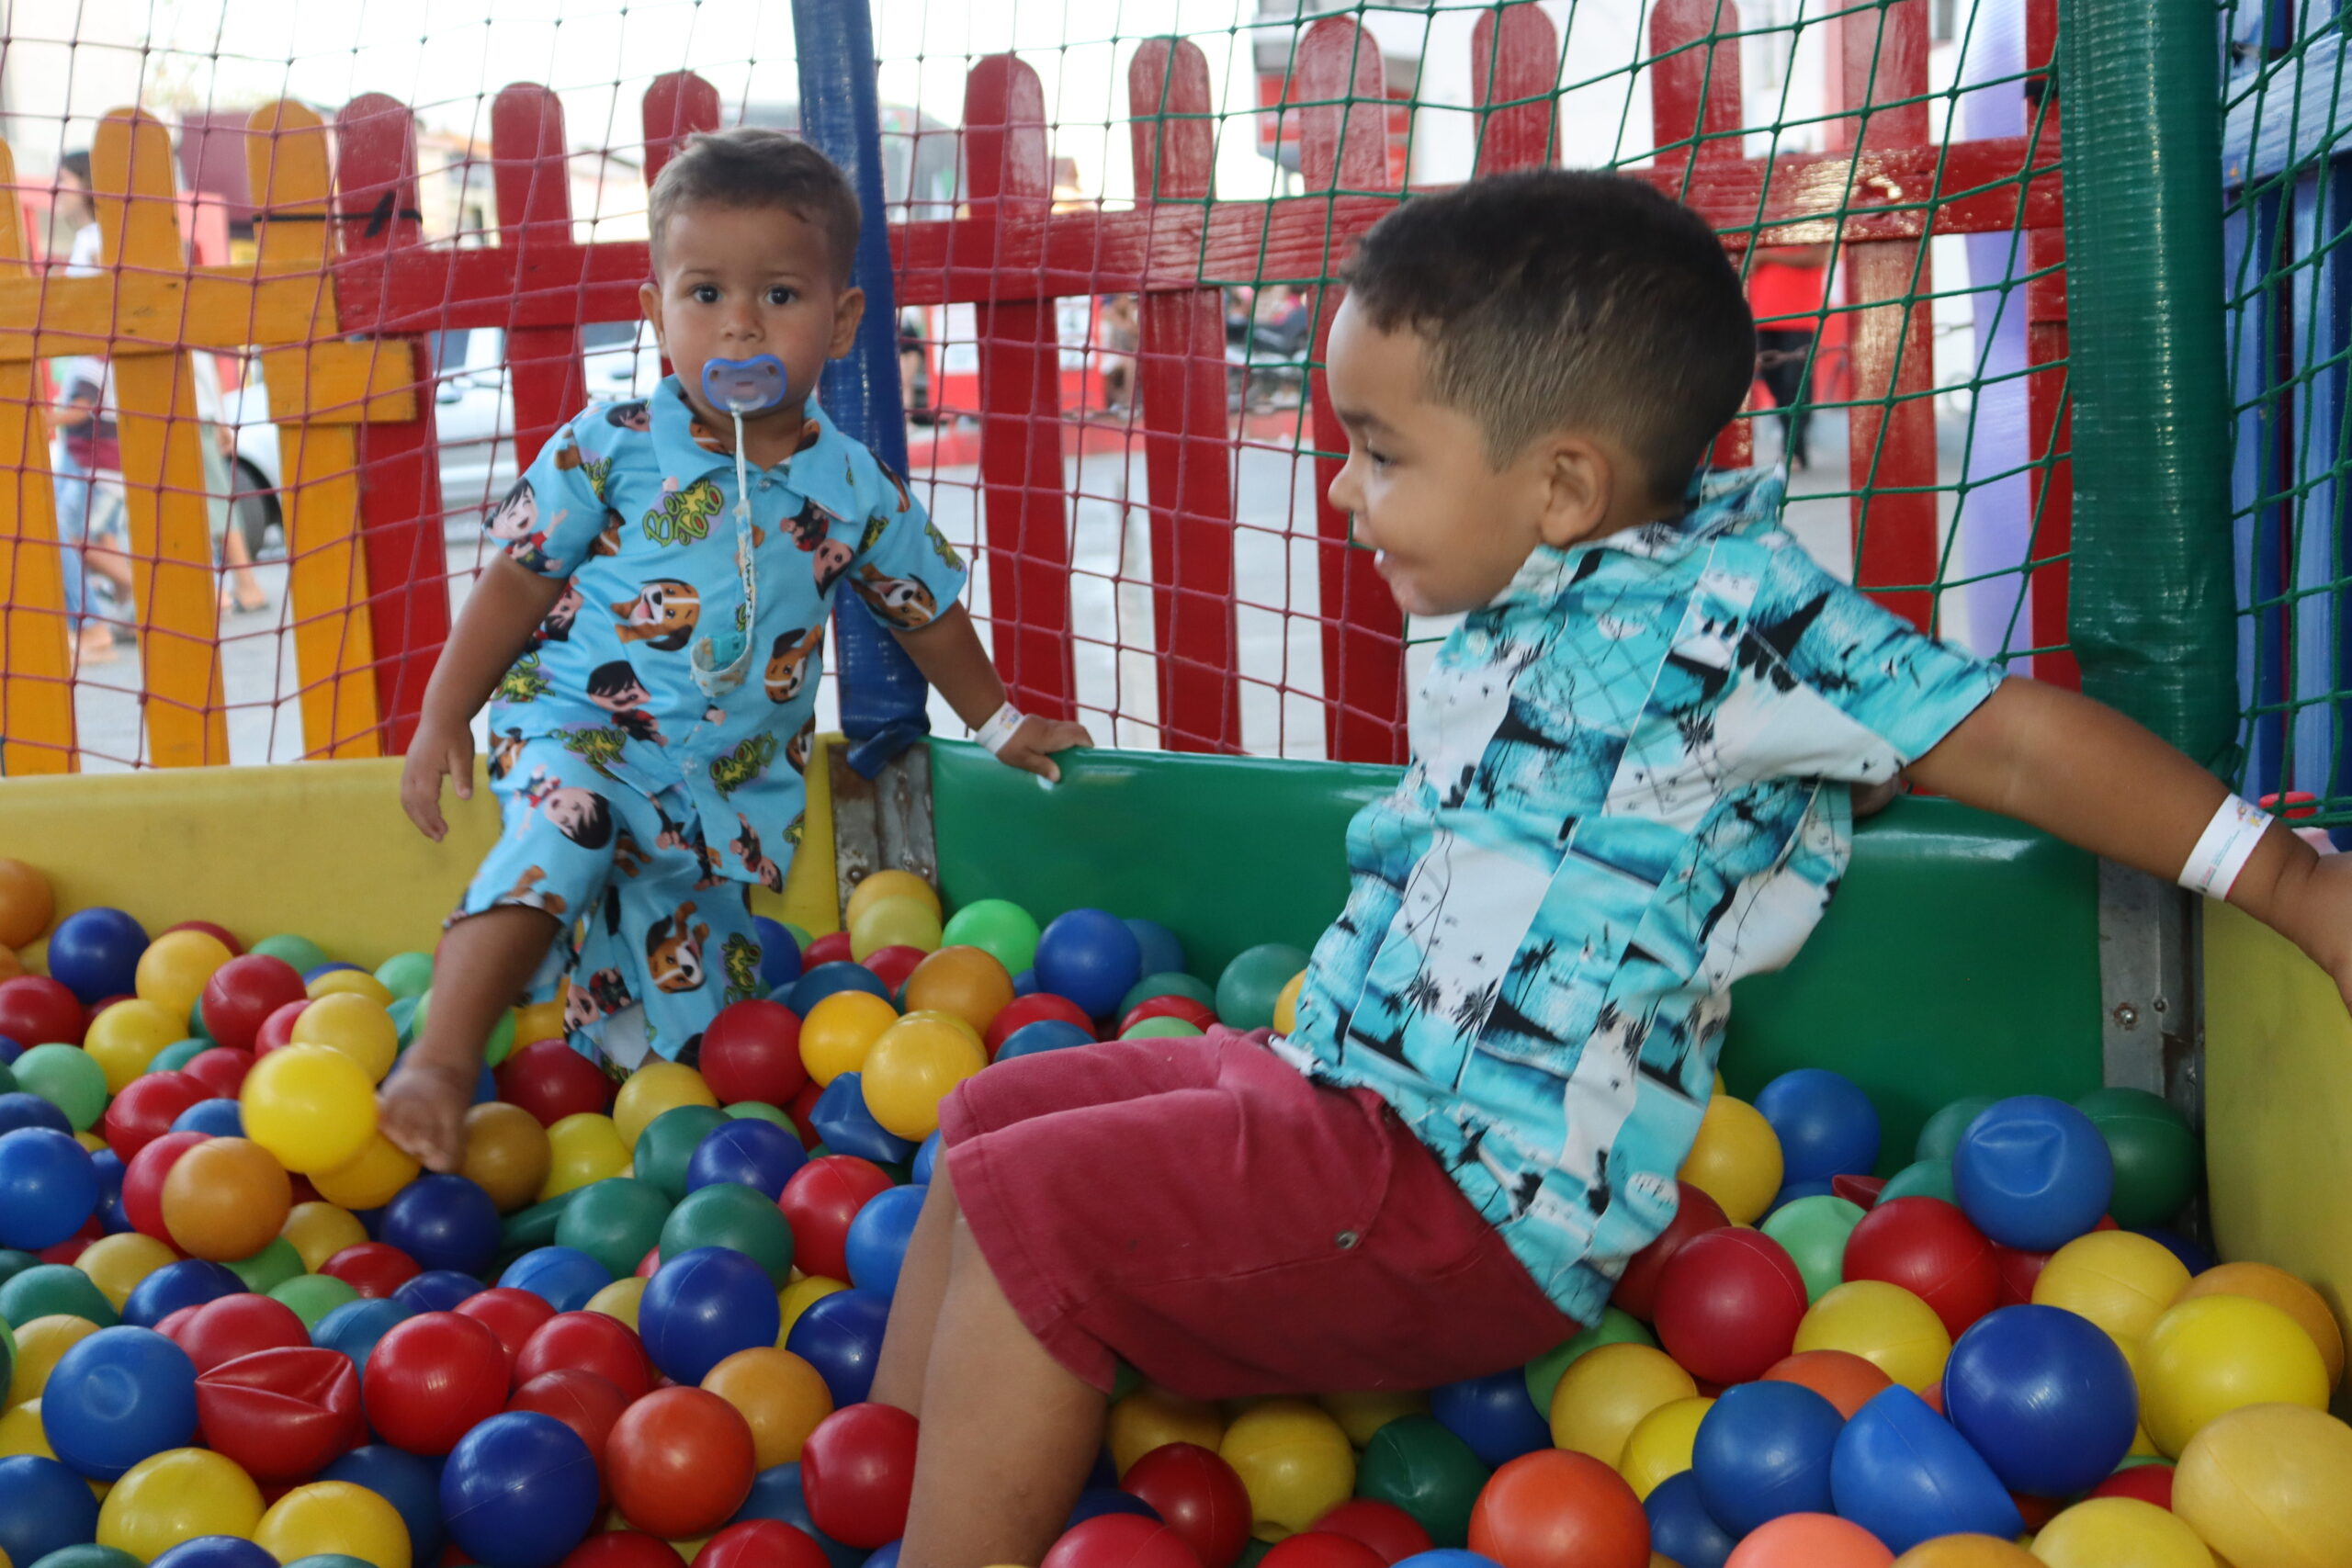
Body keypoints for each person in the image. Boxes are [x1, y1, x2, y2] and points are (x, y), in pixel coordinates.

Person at [868, 169, 2352, 1567]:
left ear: (1564, 482)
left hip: (1467, 1196)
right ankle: (884, 1480)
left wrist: (2291, 886)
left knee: (1035, 1212)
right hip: (1339, 1087)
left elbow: (2018, 744)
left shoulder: (1739, 615)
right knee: (990, 1118)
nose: (1337, 492)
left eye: (1380, 453)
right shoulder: (1530, 580)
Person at [381, 129, 1089, 1171]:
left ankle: (610, 1114)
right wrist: (446, 712)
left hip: (716, 792)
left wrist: (998, 723)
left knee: (695, 1043)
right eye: (705, 293)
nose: (740, 324)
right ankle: (439, 1062)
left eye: (780, 296)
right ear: (655, 309)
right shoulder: (609, 444)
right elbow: (517, 578)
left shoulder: (853, 490)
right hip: (580, 727)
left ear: (841, 321)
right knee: (568, 835)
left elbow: (924, 610)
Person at [46, 151, 136, 666]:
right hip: (86, 408)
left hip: (95, 408)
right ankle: (119, 605)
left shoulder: (98, 240)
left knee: (66, 532)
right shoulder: (86, 240)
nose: (57, 189)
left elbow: (104, 316)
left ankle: (96, 621)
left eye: (63, 178)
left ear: (86, 182)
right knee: (81, 530)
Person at [1748, 243, 1832, 469]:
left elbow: (1820, 256)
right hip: (1763, 316)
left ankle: (1793, 450)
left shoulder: (1812, 225)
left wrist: (1768, 256)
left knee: (1795, 385)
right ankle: (1793, 446)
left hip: (1799, 318)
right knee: (1775, 385)